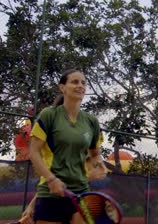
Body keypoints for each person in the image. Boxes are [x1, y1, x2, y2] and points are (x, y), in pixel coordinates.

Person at [28, 69, 106, 224]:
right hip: (51, 193)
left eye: (83, 83)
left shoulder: (91, 122)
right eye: (74, 82)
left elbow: (95, 153)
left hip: (82, 193)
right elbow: (34, 153)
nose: (80, 86)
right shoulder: (49, 115)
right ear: (62, 87)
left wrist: (98, 164)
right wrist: (51, 180)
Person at [18, 156, 108, 224]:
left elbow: (100, 170)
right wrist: (31, 206)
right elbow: (48, 184)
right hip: (53, 202)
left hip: (77, 200)